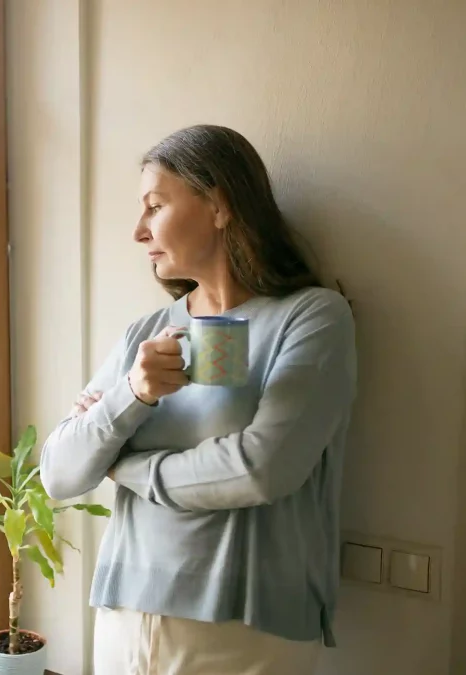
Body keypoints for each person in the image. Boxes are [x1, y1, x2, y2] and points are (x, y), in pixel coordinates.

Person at [39, 125, 357, 675]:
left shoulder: (311, 318)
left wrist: (126, 468)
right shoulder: (150, 331)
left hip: (244, 627)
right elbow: (60, 475)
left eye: (155, 206)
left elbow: (260, 469)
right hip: (123, 613)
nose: (139, 231)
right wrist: (132, 394)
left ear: (219, 205)